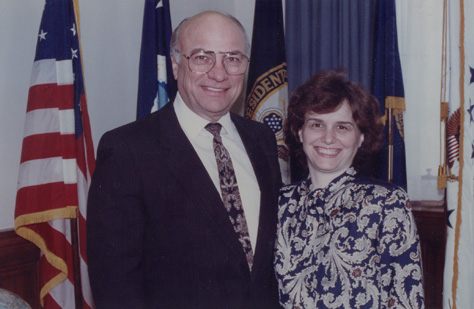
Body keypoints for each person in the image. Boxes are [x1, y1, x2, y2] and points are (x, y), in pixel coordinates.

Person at [87, 11, 282, 308]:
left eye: (233, 58)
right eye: (203, 57)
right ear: (176, 64)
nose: (220, 73)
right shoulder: (127, 149)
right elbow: (116, 286)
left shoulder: (262, 140)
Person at [274, 69, 425, 308]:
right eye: (317, 124)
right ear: (300, 132)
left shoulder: (386, 203)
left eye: (342, 127)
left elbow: (405, 299)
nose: (328, 138)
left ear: (360, 137)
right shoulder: (279, 203)